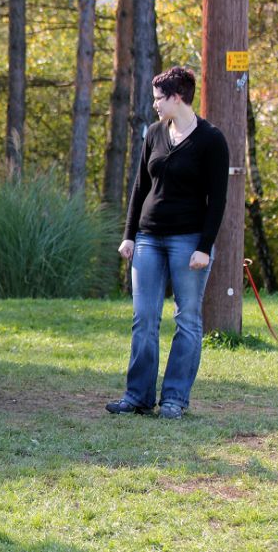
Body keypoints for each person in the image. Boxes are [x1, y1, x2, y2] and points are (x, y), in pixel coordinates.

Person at [107, 66, 229, 420]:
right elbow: (139, 186)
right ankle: (137, 396)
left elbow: (217, 200)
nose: (155, 105)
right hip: (147, 238)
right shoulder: (154, 133)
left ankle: (175, 398)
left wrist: (204, 247)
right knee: (144, 318)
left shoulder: (211, 140)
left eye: (160, 98)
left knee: (187, 319)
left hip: (188, 240)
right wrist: (129, 235)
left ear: (178, 98)